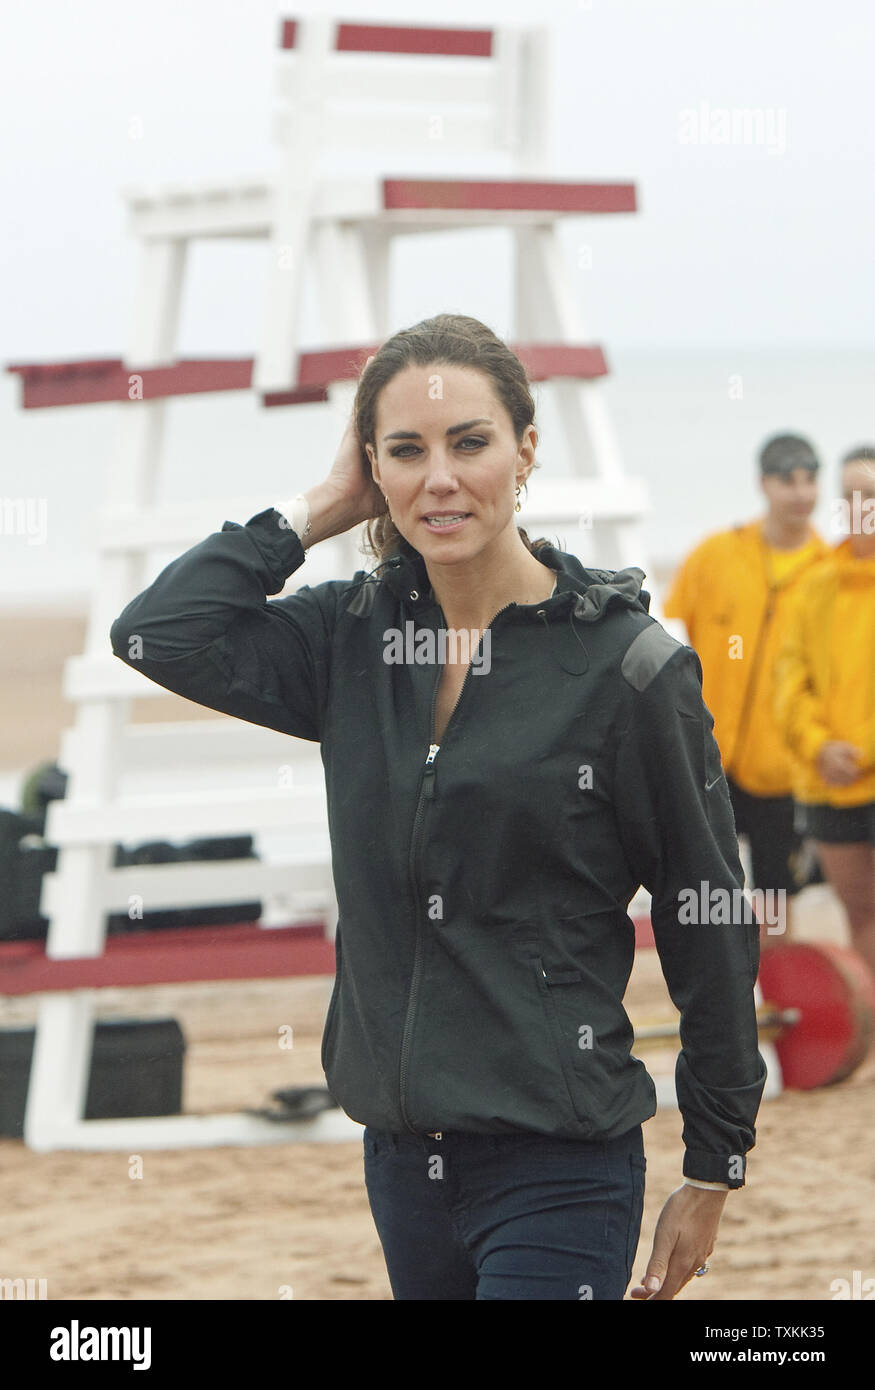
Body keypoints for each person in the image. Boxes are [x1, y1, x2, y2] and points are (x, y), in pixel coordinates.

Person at [109, 313, 767, 1301]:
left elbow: (705, 920)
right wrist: (319, 507)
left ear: (525, 449)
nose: (440, 478)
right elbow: (158, 635)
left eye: (469, 442)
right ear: (371, 467)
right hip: (402, 1164)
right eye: (405, 451)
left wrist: (715, 1163)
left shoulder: (629, 671)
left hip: (561, 1163)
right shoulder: (350, 642)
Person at [662, 435, 831, 944]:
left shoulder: (829, 573)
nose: (800, 493)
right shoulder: (717, 555)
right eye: (787, 479)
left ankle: (780, 995)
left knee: (778, 894)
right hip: (707, 753)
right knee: (698, 880)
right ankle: (716, 983)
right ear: (764, 483)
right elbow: (668, 636)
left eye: (809, 479)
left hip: (782, 766)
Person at [774, 445, 875, 978]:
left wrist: (862, 749)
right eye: (852, 497)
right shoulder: (815, 585)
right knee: (861, 916)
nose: (862, 508)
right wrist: (819, 746)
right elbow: (789, 683)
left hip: (863, 767)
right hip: (831, 782)